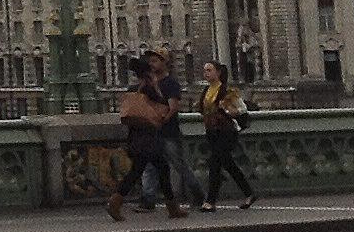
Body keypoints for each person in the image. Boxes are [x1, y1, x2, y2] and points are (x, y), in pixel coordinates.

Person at [106, 56, 185, 221]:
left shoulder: (134, 88)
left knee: (153, 169)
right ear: (149, 73)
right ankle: (115, 202)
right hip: (148, 138)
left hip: (136, 137)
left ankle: (172, 208)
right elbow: (161, 108)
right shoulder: (149, 89)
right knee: (145, 170)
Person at [142, 49, 199, 212]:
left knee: (179, 165)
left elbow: (173, 107)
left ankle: (197, 194)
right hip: (153, 131)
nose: (151, 64)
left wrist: (162, 121)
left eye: (154, 61)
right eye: (150, 61)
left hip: (169, 132)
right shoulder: (149, 83)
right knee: (150, 166)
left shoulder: (170, 83)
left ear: (164, 62)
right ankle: (148, 199)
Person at [198, 60, 257, 209]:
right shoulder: (206, 91)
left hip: (226, 132)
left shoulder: (226, 91)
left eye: (209, 70)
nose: (206, 73)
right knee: (228, 165)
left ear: (218, 72)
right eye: (205, 70)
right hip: (212, 132)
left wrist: (229, 111)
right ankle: (249, 193)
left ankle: (210, 201)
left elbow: (242, 109)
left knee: (215, 163)